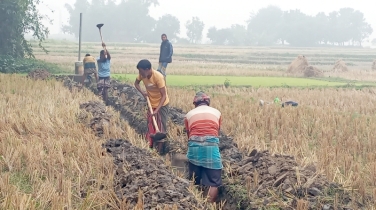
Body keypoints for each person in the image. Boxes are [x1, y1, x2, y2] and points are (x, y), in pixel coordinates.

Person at [184, 91, 223, 203]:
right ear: (208, 102)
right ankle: (208, 206)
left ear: (195, 104)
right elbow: (216, 132)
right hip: (211, 146)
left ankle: (195, 203)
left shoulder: (188, 115)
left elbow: (189, 135)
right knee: (213, 182)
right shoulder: (217, 113)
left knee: (194, 180)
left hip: (194, 147)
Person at [134, 59, 169, 148]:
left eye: (141, 71)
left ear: (147, 69)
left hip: (162, 104)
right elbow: (136, 83)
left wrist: (157, 110)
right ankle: (151, 145)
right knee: (150, 124)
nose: (140, 74)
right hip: (151, 102)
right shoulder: (142, 75)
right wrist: (143, 93)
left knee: (161, 127)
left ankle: (161, 148)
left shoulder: (158, 77)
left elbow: (164, 95)